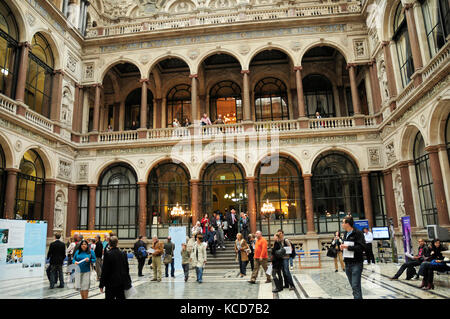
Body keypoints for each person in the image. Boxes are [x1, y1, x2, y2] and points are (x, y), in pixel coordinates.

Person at [340, 216, 366, 299]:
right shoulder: (345, 233)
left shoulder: (358, 233)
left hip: (356, 263)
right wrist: (342, 248)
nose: (342, 224)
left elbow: (361, 248)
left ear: (347, 224)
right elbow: (345, 247)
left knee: (355, 285)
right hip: (347, 263)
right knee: (354, 286)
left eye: (343, 222)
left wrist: (347, 247)